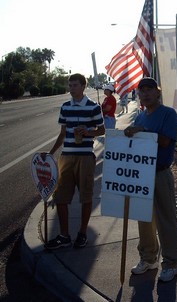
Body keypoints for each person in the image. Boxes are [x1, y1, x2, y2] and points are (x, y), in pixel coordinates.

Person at [123, 77, 177, 282]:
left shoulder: (168, 114)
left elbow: (165, 141)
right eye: (142, 91)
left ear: (158, 92)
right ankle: (148, 258)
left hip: (160, 172)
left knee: (166, 220)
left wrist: (143, 132)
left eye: (149, 90)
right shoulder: (140, 117)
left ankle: (170, 263)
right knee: (144, 219)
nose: (145, 94)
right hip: (141, 173)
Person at [44, 73, 105, 250]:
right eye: (70, 85)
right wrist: (51, 153)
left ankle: (82, 234)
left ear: (83, 86)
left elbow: (101, 130)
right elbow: (63, 133)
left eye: (75, 85)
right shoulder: (65, 107)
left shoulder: (93, 107)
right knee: (61, 197)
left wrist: (87, 132)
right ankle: (64, 236)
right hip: (67, 156)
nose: (72, 89)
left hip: (85, 156)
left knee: (86, 196)